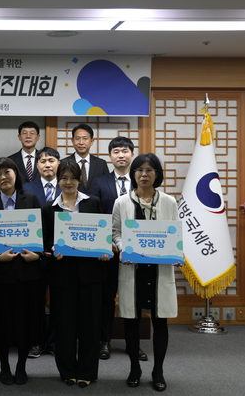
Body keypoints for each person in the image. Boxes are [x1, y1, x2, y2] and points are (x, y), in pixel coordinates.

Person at [112, 153, 179, 392]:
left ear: (157, 174)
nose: (144, 174)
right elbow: (115, 232)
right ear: (133, 174)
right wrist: (123, 248)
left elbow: (175, 234)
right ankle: (134, 368)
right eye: (139, 170)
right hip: (133, 270)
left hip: (159, 271)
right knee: (131, 321)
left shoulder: (169, 202)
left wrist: (176, 252)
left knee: (160, 321)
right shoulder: (121, 202)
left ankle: (158, 370)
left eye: (150, 170)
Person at [42, 159, 108, 388]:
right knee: (64, 325)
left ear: (80, 179)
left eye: (73, 178)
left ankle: (87, 371)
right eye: (64, 178)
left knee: (90, 324)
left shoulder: (93, 202)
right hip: (62, 273)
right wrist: (52, 249)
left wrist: (104, 249)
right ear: (57, 179)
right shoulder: (49, 208)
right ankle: (67, 370)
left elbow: (103, 233)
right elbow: (45, 239)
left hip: (91, 273)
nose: (68, 182)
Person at [0, 157, 43, 385]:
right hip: (0, 272)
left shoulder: (31, 199)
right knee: (2, 323)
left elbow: (41, 233)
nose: (3, 177)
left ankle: (21, 366)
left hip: (27, 272)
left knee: (25, 323)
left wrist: (37, 255)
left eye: (7, 172)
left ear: (16, 174)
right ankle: (4, 366)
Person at [91, 136, 148, 361]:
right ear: (110, 156)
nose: (121, 155)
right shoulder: (98, 182)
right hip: (109, 250)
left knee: (134, 297)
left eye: (125, 151)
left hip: (136, 250)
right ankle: (104, 341)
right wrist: (106, 241)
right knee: (106, 297)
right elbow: (94, 214)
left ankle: (133, 344)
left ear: (132, 154)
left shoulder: (141, 180)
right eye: (116, 151)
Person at [22, 146, 61, 358]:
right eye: (43, 161)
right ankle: (35, 342)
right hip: (34, 254)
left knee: (58, 300)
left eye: (51, 160)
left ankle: (54, 342)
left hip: (61, 255)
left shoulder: (68, 187)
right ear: (36, 165)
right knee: (34, 301)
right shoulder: (26, 188)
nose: (47, 165)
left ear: (58, 164)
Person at [61, 123, 109, 194]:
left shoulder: (101, 164)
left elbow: (106, 188)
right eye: (77, 138)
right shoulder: (63, 163)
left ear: (91, 141)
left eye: (85, 138)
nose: (81, 142)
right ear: (72, 141)